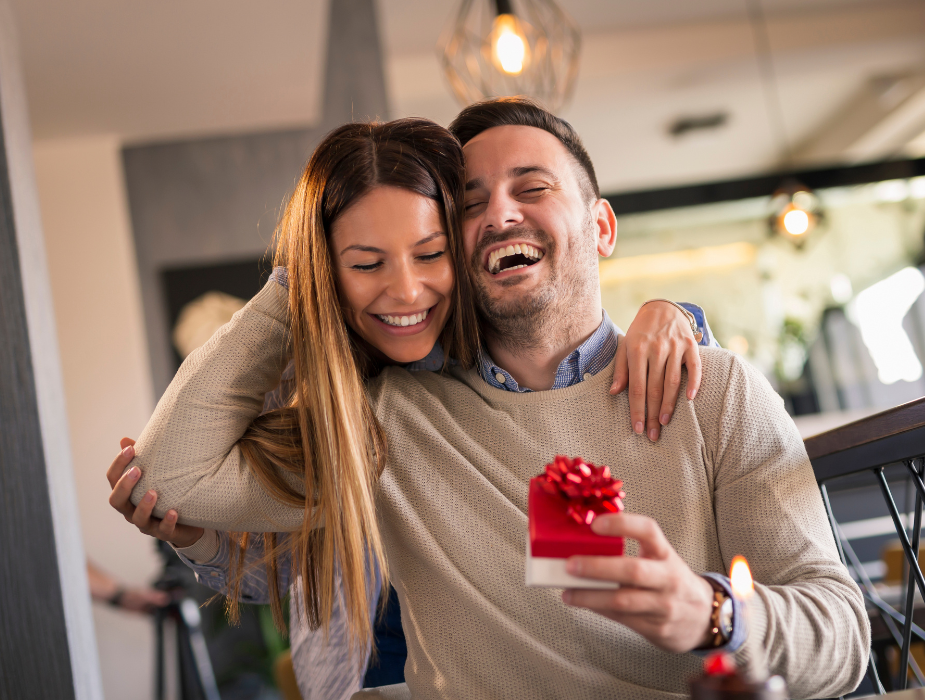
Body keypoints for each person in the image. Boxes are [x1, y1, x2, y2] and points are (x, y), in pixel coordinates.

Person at [106, 116, 714, 698]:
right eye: (367, 263)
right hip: (370, 668)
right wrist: (296, 280)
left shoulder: (491, 373)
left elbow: (572, 361)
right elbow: (294, 560)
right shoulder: (339, 397)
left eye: (429, 253)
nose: (404, 291)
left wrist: (676, 313)